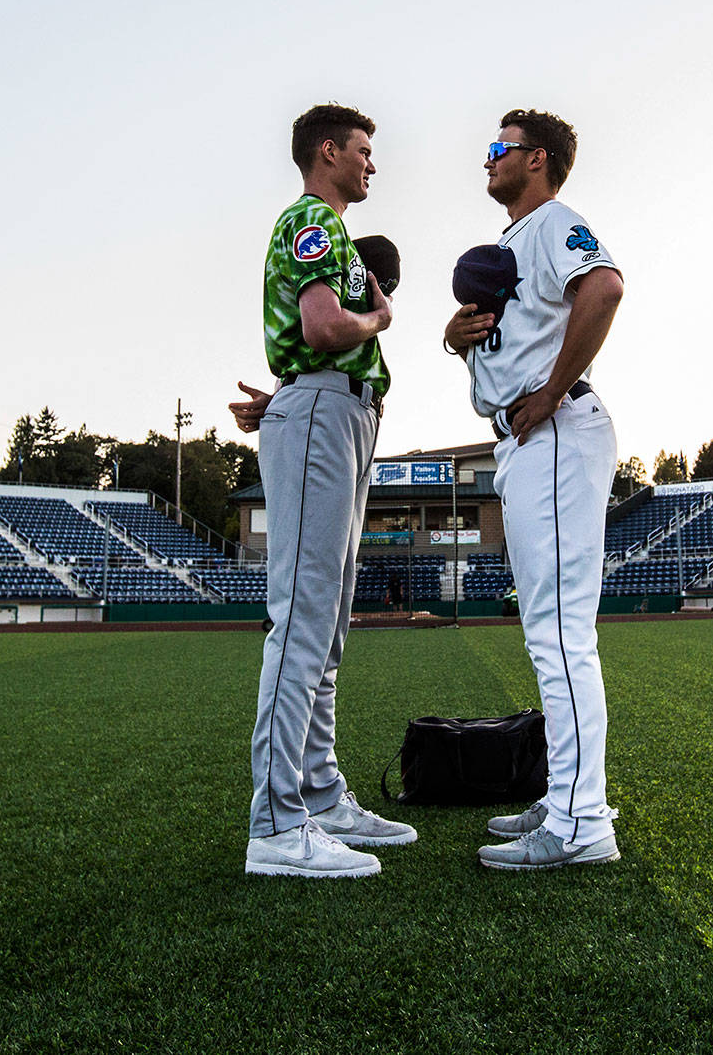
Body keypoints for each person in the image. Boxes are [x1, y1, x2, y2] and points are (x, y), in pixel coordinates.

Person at [228, 104, 417, 878]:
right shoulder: (313, 218)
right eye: (364, 151)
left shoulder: (328, 229)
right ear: (328, 151)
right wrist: (380, 316)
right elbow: (324, 330)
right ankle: (276, 826)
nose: (372, 164)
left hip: (333, 411)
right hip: (325, 405)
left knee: (329, 620)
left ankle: (317, 791)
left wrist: (288, 401)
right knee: (304, 617)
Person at [444, 109, 626, 870]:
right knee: (549, 631)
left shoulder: (553, 221)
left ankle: (584, 827)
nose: (488, 158)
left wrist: (550, 392)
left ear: (539, 161)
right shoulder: (513, 243)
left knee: (557, 634)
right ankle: (567, 798)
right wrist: (456, 341)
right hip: (527, 437)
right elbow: (511, 341)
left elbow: (606, 288)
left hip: (553, 430)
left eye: (501, 149)